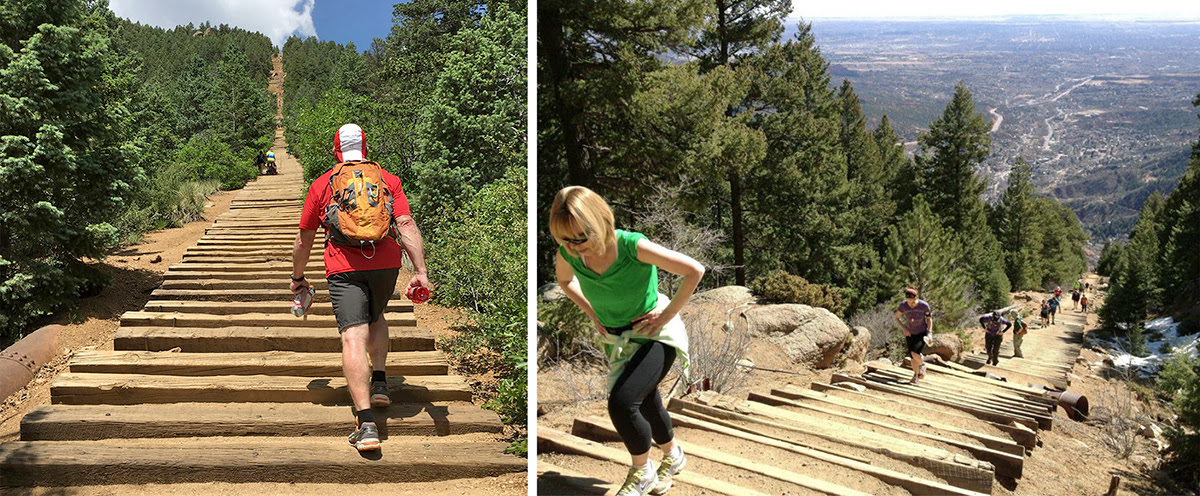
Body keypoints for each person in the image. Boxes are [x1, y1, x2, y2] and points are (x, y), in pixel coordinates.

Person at [551, 186, 703, 496]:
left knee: (622, 404)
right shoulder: (569, 252)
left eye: (581, 237)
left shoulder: (632, 246)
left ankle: (641, 471)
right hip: (618, 338)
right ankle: (673, 456)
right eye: (565, 239)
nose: (575, 247)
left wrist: (666, 315)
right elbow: (565, 281)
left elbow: (694, 270)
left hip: (655, 333)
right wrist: (593, 313)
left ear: (600, 222)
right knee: (645, 400)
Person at [290, 123, 429, 452]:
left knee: (353, 334)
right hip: (385, 263)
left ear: (336, 150)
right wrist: (420, 270)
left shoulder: (323, 183)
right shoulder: (387, 180)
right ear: (364, 148)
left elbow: (305, 238)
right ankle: (379, 383)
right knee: (376, 314)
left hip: (344, 266)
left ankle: (366, 424)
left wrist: (298, 277)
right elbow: (405, 223)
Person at [895, 287, 932, 385]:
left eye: (913, 302)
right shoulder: (903, 306)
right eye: (909, 302)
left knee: (915, 353)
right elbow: (897, 318)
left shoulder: (924, 305)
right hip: (910, 333)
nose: (911, 304)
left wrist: (929, 333)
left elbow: (929, 319)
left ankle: (922, 365)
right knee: (912, 357)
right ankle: (915, 375)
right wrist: (904, 328)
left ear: (917, 298)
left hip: (921, 332)